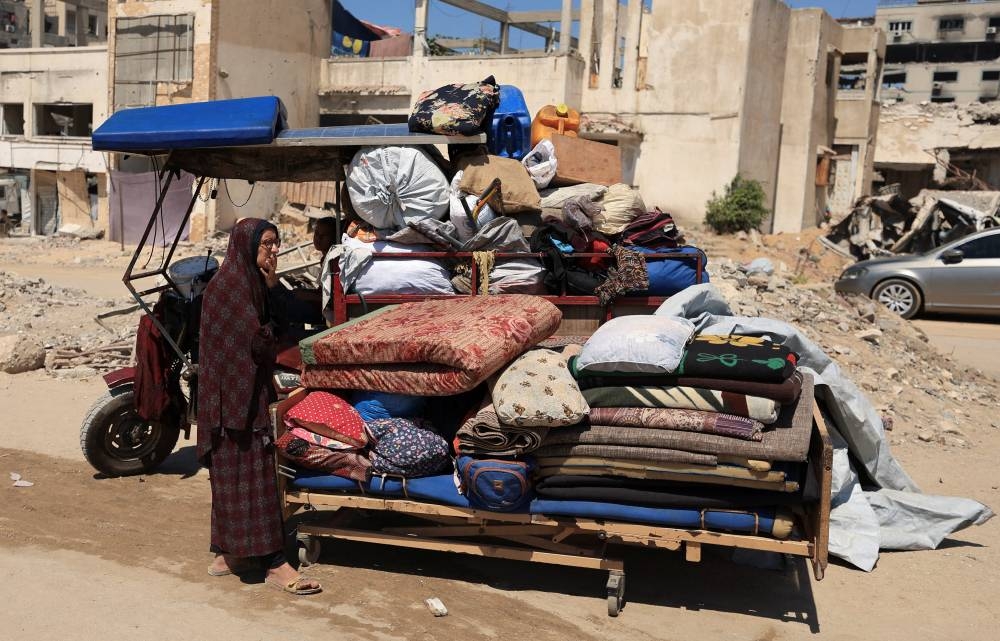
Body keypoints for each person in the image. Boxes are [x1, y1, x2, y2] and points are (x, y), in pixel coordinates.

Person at [196, 217, 321, 596]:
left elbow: (277, 320)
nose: (275, 250)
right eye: (268, 243)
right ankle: (273, 563)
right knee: (251, 477)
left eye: (277, 242)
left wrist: (270, 286)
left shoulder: (251, 281)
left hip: (242, 395)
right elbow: (257, 343)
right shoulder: (231, 287)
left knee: (233, 476)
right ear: (246, 245)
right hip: (234, 401)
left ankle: (228, 555)